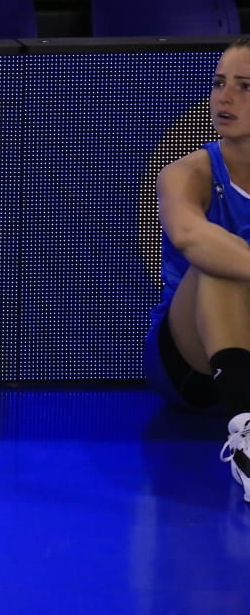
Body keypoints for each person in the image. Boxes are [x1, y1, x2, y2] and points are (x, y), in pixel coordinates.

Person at [149, 37, 250, 503]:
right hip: (187, 361)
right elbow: (190, 236)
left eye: (244, 86)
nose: (223, 98)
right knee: (216, 261)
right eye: (219, 83)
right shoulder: (187, 172)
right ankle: (247, 434)